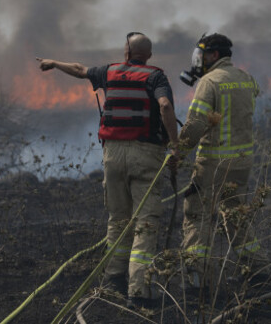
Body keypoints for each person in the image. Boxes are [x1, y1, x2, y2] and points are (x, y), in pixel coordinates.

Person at [37, 32, 178, 309]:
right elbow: (164, 105)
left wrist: (53, 62)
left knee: (118, 219)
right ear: (148, 55)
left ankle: (113, 281)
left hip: (112, 154)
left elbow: (79, 70)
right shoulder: (155, 77)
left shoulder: (109, 72)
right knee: (145, 220)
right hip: (145, 153)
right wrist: (175, 146)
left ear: (125, 52)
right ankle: (139, 289)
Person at [170, 33, 263, 292]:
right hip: (242, 161)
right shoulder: (247, 78)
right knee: (235, 212)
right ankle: (256, 267)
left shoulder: (209, 82)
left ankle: (196, 277)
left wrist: (179, 150)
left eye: (201, 56)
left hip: (214, 162)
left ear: (213, 55)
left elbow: (197, 123)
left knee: (197, 214)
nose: (198, 61)